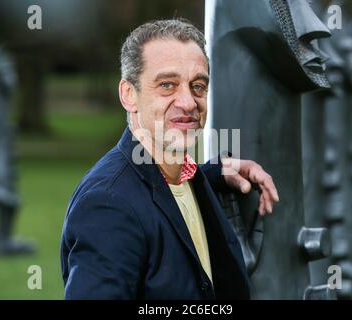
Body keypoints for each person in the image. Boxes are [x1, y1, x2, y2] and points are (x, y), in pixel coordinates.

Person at [61, 19, 279, 300]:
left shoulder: (185, 177)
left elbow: (162, 191)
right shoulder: (107, 204)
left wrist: (216, 172)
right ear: (129, 95)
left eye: (198, 85)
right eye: (167, 85)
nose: (188, 102)